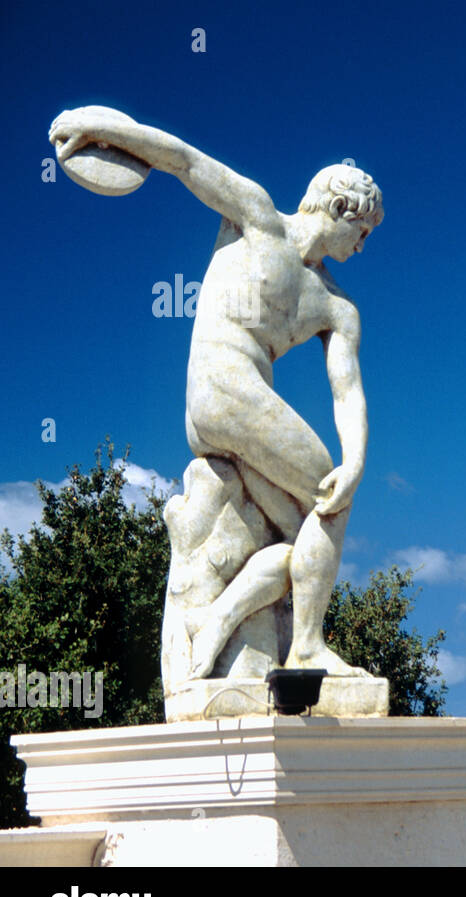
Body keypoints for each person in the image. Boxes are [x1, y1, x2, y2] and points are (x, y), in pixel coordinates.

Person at [50, 108, 383, 678]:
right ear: (339, 208)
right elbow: (183, 160)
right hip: (225, 389)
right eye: (364, 228)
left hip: (230, 411)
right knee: (332, 494)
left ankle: (218, 622)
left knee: (303, 532)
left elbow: (346, 391)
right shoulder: (258, 216)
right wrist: (98, 126)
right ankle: (305, 647)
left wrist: (357, 460)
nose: (363, 243)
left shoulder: (338, 307)